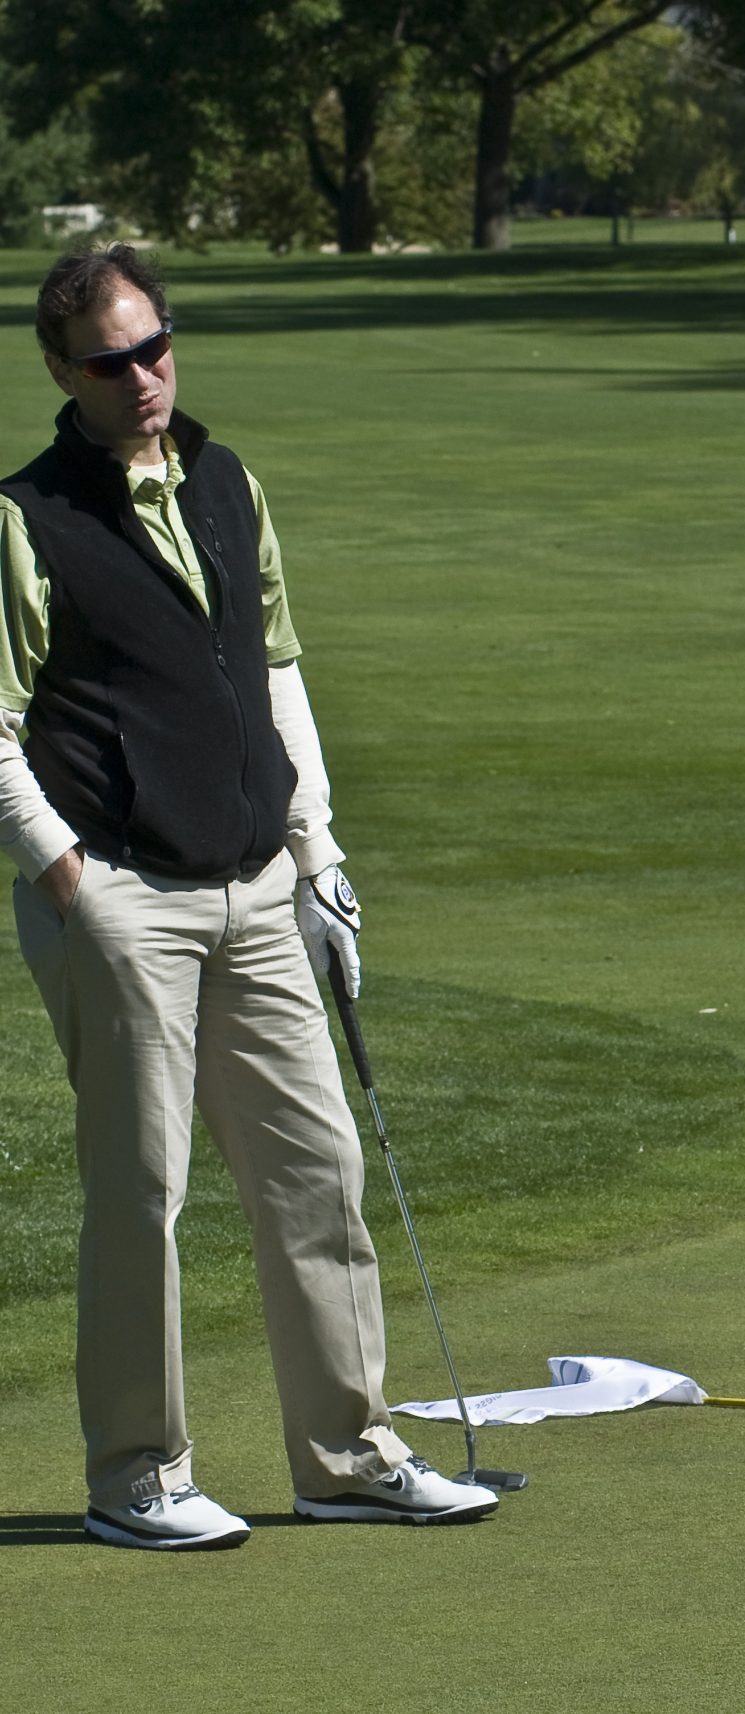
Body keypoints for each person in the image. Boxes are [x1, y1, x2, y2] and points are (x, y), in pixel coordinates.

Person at [0, 244, 497, 1547]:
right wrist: (69, 878)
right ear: (61, 369)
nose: (142, 377)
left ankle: (348, 1453)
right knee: (142, 1196)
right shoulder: (28, 518)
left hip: (258, 885)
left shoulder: (226, 481)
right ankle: (137, 1473)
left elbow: (275, 670)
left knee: (317, 1171)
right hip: (122, 894)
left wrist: (317, 856)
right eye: (110, 362)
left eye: (155, 347)